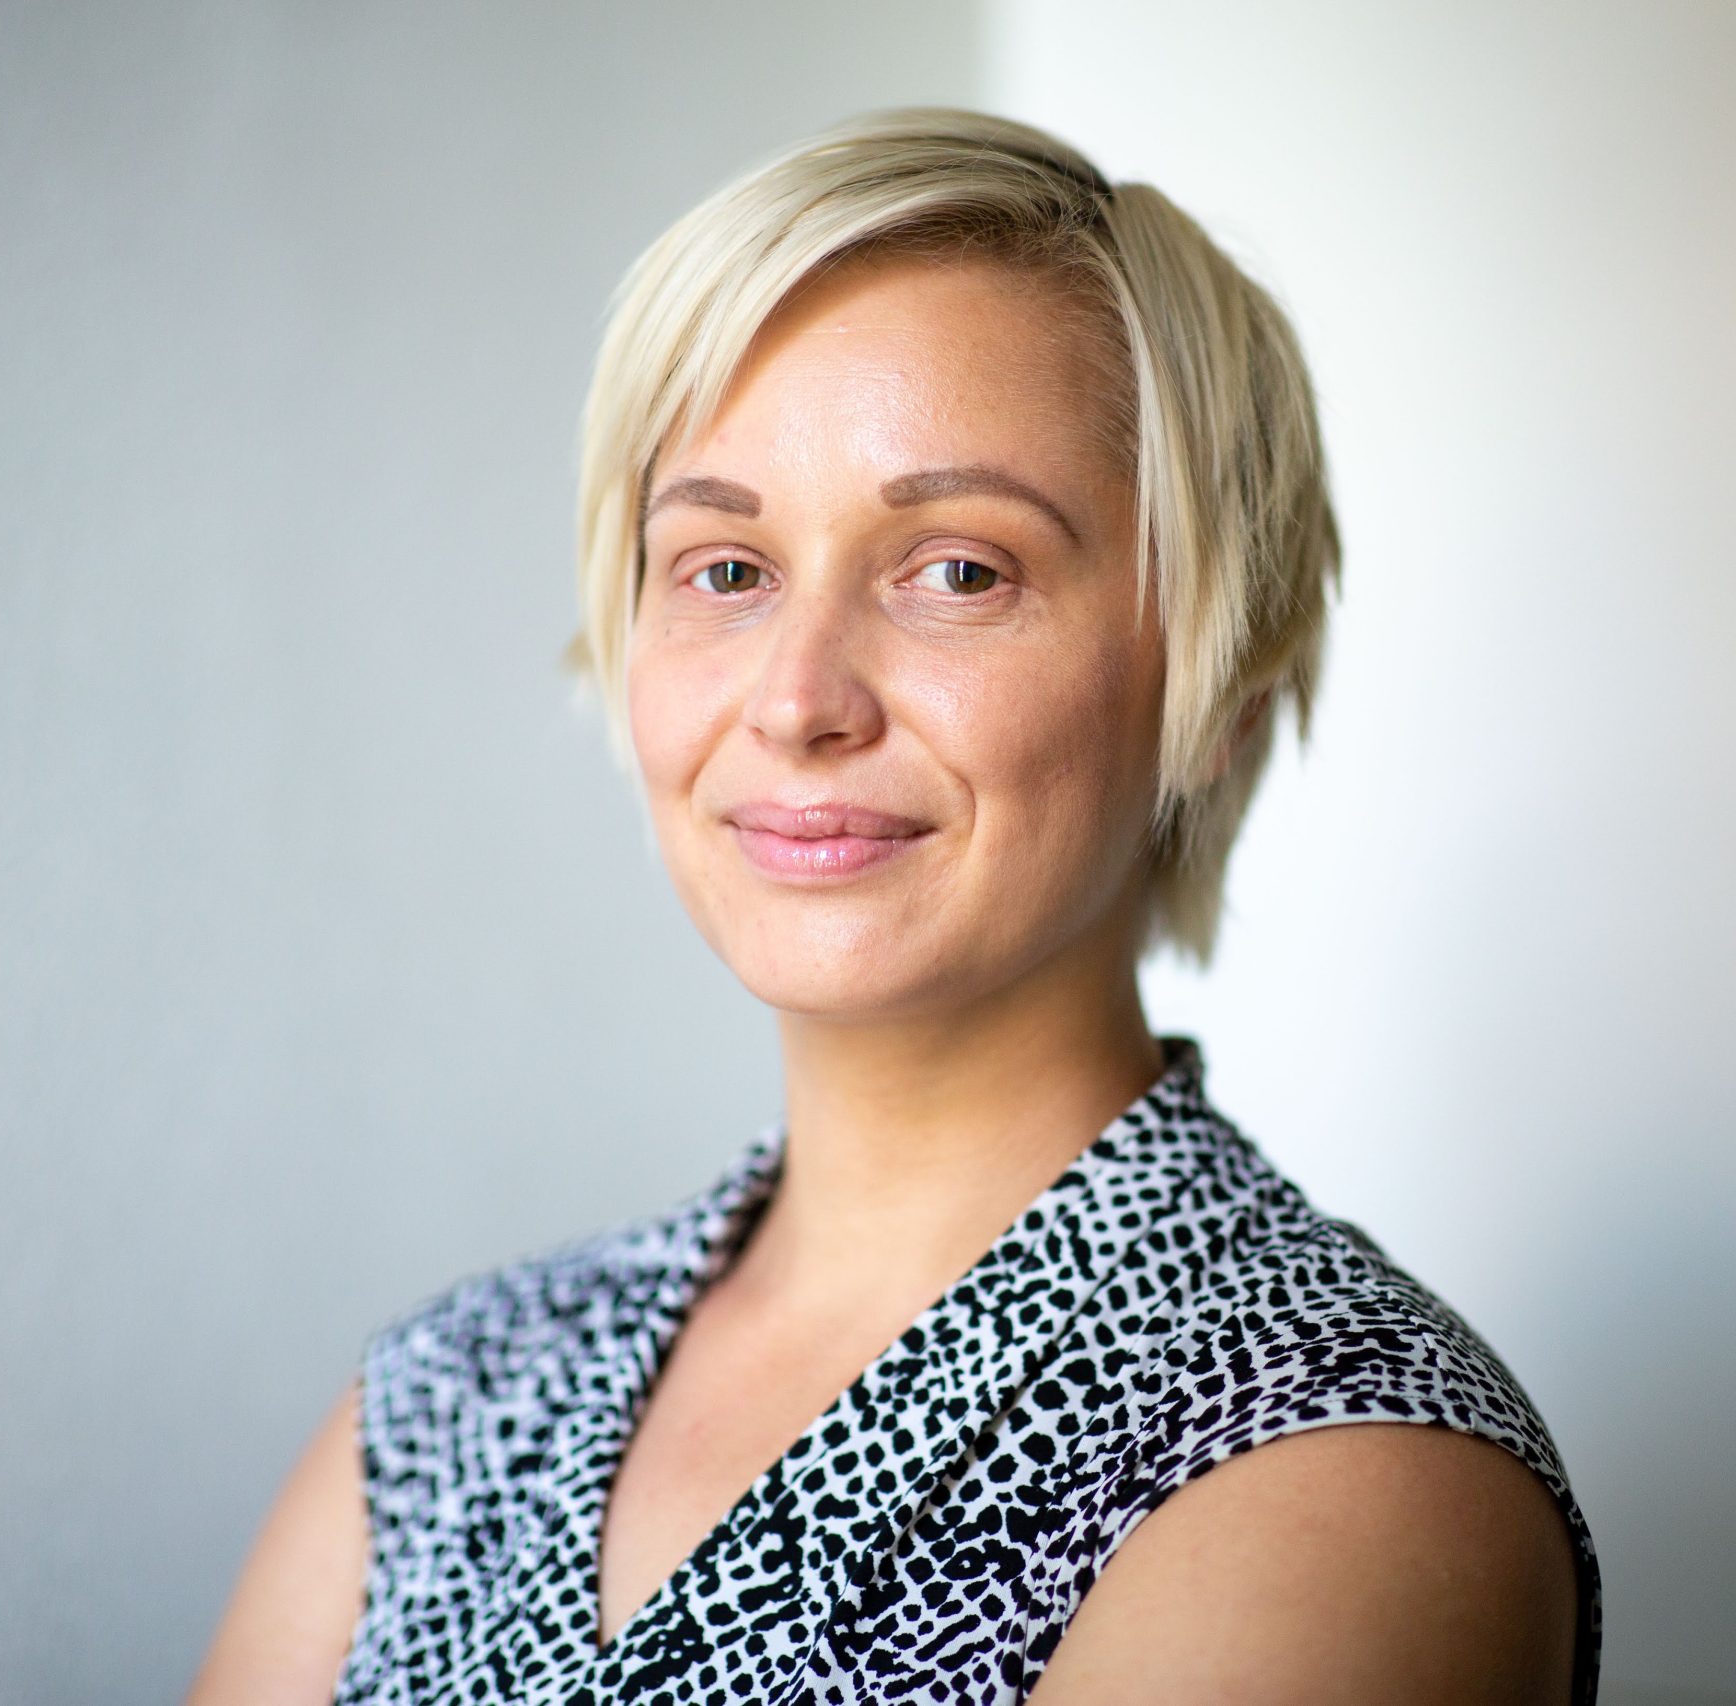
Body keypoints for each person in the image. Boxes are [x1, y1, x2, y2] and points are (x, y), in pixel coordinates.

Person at [189, 108, 1600, 1705]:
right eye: (724, 568)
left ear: (1216, 693)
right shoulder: (448, 1397)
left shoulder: (1334, 1453)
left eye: (959, 570)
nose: (797, 701)